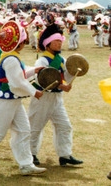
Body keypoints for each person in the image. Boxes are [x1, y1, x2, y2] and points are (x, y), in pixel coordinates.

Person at [0, 20, 47, 175]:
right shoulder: (11, 59)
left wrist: (34, 70)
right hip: (5, 101)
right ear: (19, 43)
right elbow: (17, 81)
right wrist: (34, 92)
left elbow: (17, 77)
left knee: (23, 130)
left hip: (12, 100)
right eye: (23, 40)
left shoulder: (12, 57)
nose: (25, 42)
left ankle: (26, 163)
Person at [29, 24, 83, 167]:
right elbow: (43, 79)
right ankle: (30, 153)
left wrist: (71, 76)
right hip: (43, 97)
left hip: (57, 99)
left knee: (64, 126)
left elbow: (66, 76)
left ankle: (65, 154)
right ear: (48, 44)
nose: (59, 43)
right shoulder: (42, 61)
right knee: (36, 126)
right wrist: (61, 85)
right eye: (56, 41)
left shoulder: (63, 60)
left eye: (60, 41)